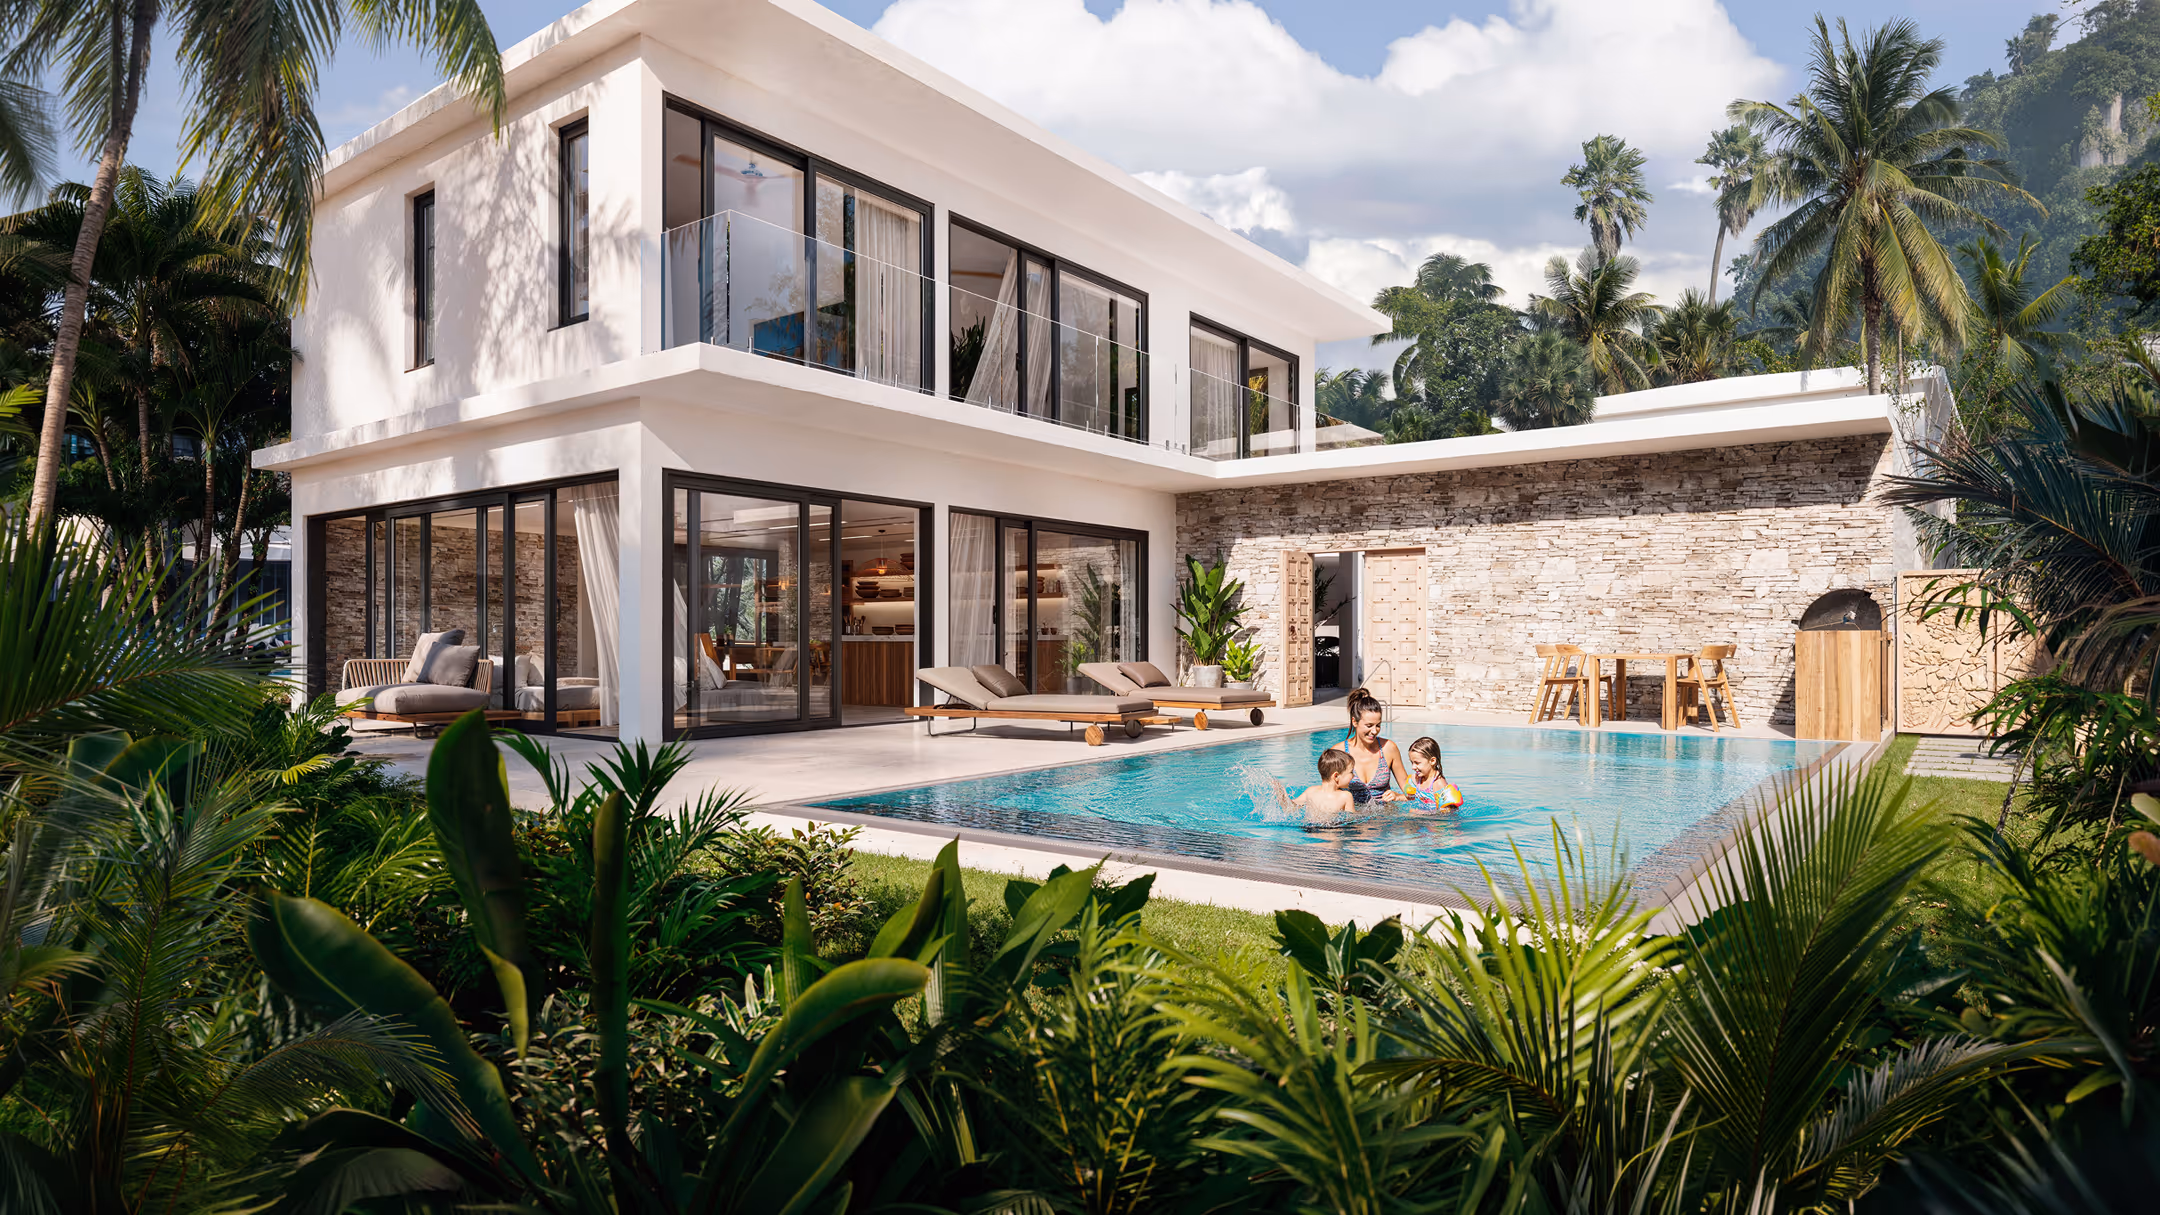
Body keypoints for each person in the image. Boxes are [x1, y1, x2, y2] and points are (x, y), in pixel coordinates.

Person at [1342, 688, 1414, 804]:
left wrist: (1398, 796)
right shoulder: (1340, 752)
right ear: (1355, 722)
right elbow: (1328, 793)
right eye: (1369, 725)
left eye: (1378, 725)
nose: (1374, 731)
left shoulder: (1388, 748)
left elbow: (1409, 790)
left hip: (1385, 817)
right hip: (1354, 818)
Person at [1292, 748, 1358, 826]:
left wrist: (1282, 795)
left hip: (1309, 831)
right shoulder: (1346, 796)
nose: (1353, 775)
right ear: (1336, 776)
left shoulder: (1311, 791)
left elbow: (1291, 807)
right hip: (1332, 833)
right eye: (1351, 772)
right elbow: (1353, 821)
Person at [1403, 736, 1464, 811]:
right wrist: (1397, 797)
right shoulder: (1416, 779)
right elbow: (1411, 798)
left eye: (1417, 763)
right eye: (1411, 762)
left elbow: (1447, 813)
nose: (1413, 767)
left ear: (1432, 761)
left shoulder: (1438, 784)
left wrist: (1422, 814)